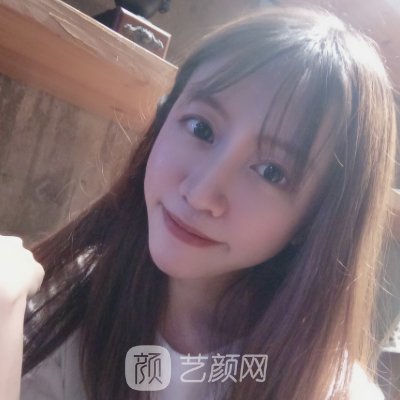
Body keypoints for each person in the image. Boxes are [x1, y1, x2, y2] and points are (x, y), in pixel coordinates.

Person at [0, 6, 396, 400]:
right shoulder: (63, 300)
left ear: (314, 221)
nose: (202, 193)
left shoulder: (331, 391)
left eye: (271, 172)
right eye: (200, 127)